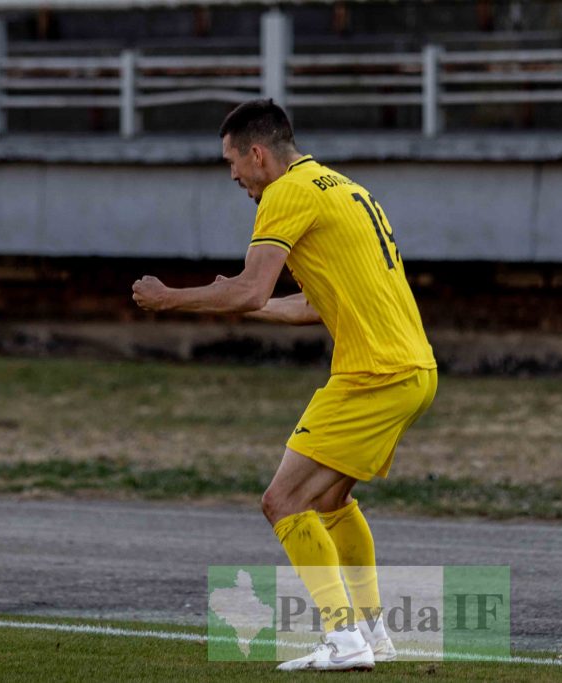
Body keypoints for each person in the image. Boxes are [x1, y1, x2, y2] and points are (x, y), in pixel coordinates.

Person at [131, 98, 437, 671]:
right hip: (414, 370)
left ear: (257, 153)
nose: (232, 176)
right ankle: (373, 632)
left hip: (373, 374)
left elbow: (247, 289)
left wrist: (170, 298)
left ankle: (344, 640)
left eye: (232, 162)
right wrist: (250, 304)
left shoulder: (284, 193)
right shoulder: (343, 187)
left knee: (282, 501)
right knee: (330, 499)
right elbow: (311, 305)